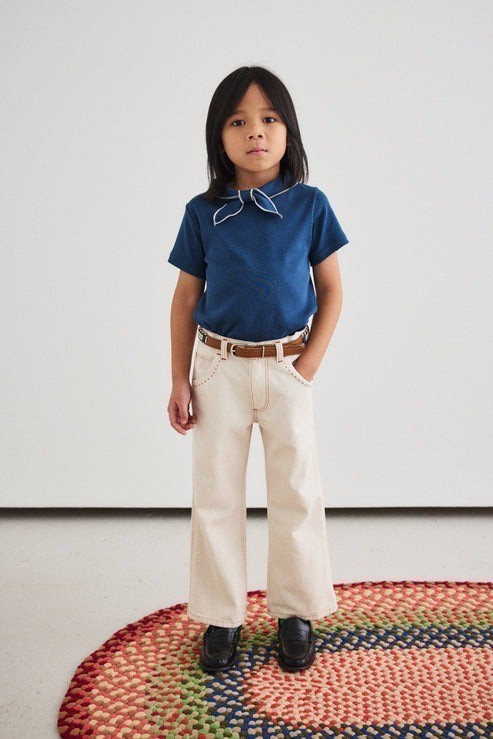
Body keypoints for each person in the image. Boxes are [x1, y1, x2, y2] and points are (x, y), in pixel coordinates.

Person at [167, 66, 349, 674]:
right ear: (218, 137)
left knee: (296, 490)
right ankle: (221, 614)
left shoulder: (311, 206)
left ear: (288, 130)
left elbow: (331, 289)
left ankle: (295, 610)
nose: (255, 132)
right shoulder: (202, 212)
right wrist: (179, 378)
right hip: (217, 369)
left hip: (287, 367)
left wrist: (308, 365)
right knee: (216, 492)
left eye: (269, 119)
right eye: (238, 121)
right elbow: (185, 300)